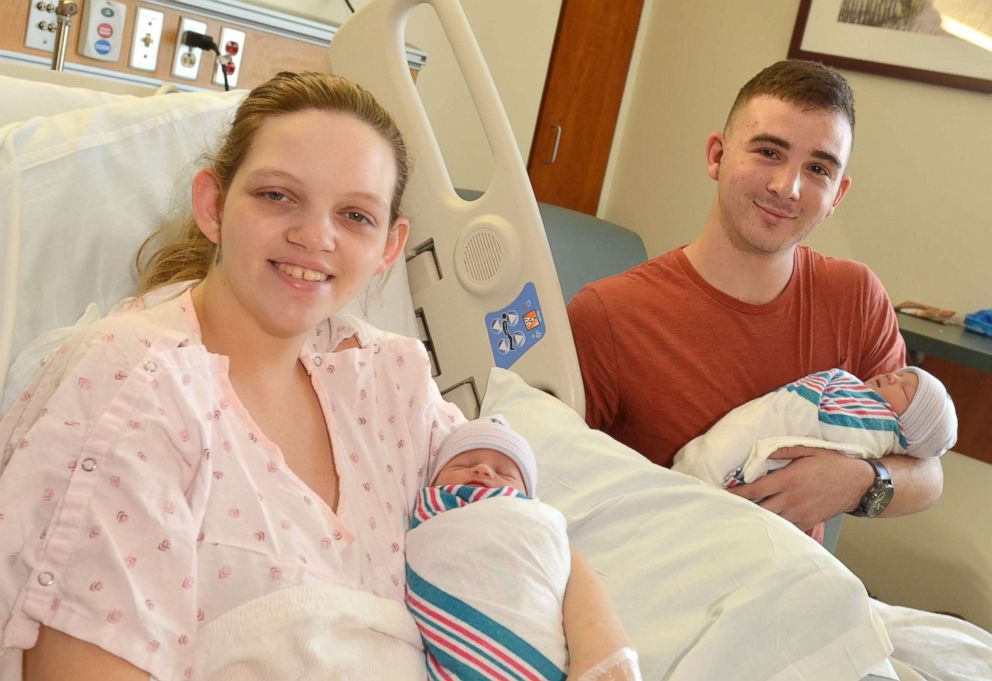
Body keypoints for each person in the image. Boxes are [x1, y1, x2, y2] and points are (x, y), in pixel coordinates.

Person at [0, 72, 627, 681]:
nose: (313, 235)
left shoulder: (388, 381)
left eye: (355, 215)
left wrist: (609, 666)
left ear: (389, 246)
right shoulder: (133, 385)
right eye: (277, 196)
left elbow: (524, 529)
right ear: (214, 206)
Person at [567, 59, 944, 542]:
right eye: (769, 151)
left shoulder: (856, 297)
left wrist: (855, 483)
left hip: (795, 589)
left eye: (818, 168)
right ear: (717, 156)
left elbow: (927, 474)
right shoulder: (609, 315)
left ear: (837, 195)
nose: (786, 187)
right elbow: (547, 483)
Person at [406, 415, 641, 681]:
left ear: (527, 497)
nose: (483, 470)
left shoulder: (535, 523)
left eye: (505, 472)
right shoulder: (433, 524)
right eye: (464, 463)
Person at [673, 367, 957, 498]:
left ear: (907, 426)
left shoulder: (878, 424)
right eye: (902, 373)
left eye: (906, 389)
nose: (894, 376)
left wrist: (861, 478)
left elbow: (929, 472)